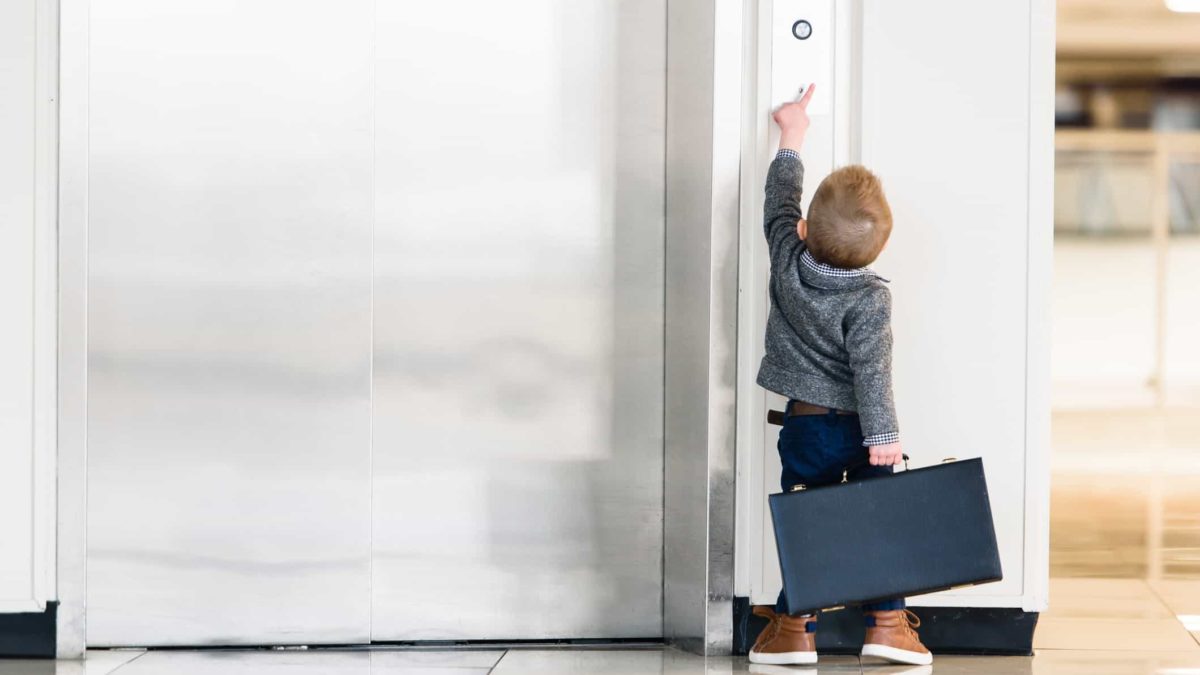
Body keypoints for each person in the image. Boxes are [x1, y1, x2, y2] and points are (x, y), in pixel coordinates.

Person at [747, 84, 931, 667]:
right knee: (880, 520)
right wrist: (884, 437)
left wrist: (792, 134)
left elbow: (780, 200)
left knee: (811, 524)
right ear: (876, 250)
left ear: (803, 229)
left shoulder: (785, 255)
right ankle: (887, 626)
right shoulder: (871, 297)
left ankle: (794, 633)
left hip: (803, 428)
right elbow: (872, 372)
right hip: (860, 430)